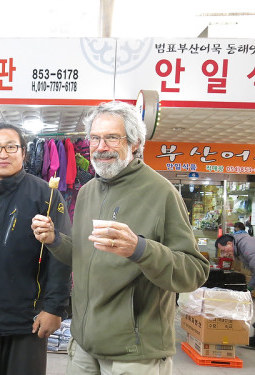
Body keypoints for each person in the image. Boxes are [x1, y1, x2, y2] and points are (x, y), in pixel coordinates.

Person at [31, 101, 210, 375]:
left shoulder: (161, 192)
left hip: (134, 353)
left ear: (135, 143)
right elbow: (84, 257)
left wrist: (140, 249)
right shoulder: (88, 191)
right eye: (95, 138)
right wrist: (55, 239)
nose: (101, 147)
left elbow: (194, 272)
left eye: (112, 137)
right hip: (83, 345)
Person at [0, 124, 72, 375]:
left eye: (11, 147)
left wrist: (54, 308)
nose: (3, 154)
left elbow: (63, 256)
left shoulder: (46, 196)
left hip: (26, 321)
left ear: (24, 153)